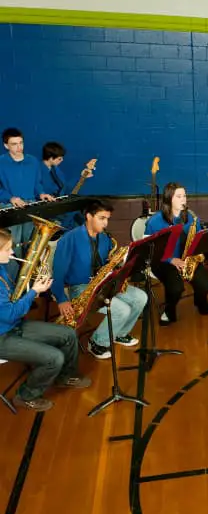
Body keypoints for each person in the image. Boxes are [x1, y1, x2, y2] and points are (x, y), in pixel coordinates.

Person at [0, 228, 90, 412]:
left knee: (67, 334)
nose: (12, 253)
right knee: (54, 358)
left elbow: (12, 300)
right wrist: (34, 291)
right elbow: (10, 313)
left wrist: (33, 285)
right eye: (7, 249)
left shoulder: (1, 268)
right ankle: (26, 396)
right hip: (3, 336)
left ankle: (65, 376)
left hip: (12, 326)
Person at [51, 200, 148, 360]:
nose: (106, 223)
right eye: (102, 218)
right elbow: (58, 272)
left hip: (103, 284)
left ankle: (120, 333)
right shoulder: (70, 238)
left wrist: (120, 265)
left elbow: (107, 264)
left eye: (107, 218)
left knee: (140, 297)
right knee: (121, 310)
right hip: (80, 287)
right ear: (88, 216)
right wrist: (61, 299)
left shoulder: (105, 239)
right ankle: (97, 343)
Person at [144, 182, 208, 325]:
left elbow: (198, 239)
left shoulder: (190, 217)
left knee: (205, 285)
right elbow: (148, 250)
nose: (184, 199)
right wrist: (171, 260)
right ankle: (169, 311)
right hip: (163, 261)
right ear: (169, 199)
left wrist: (198, 255)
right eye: (179, 196)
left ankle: (201, 303)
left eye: (184, 196)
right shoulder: (154, 221)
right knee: (176, 288)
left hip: (187, 259)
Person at [0, 128, 55, 262]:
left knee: (30, 245)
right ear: (6, 146)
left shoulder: (33, 161)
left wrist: (42, 194)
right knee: (12, 246)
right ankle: (11, 281)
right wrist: (11, 198)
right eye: (14, 144)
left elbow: (37, 184)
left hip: (31, 206)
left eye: (21, 143)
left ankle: (28, 280)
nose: (19, 147)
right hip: (9, 207)